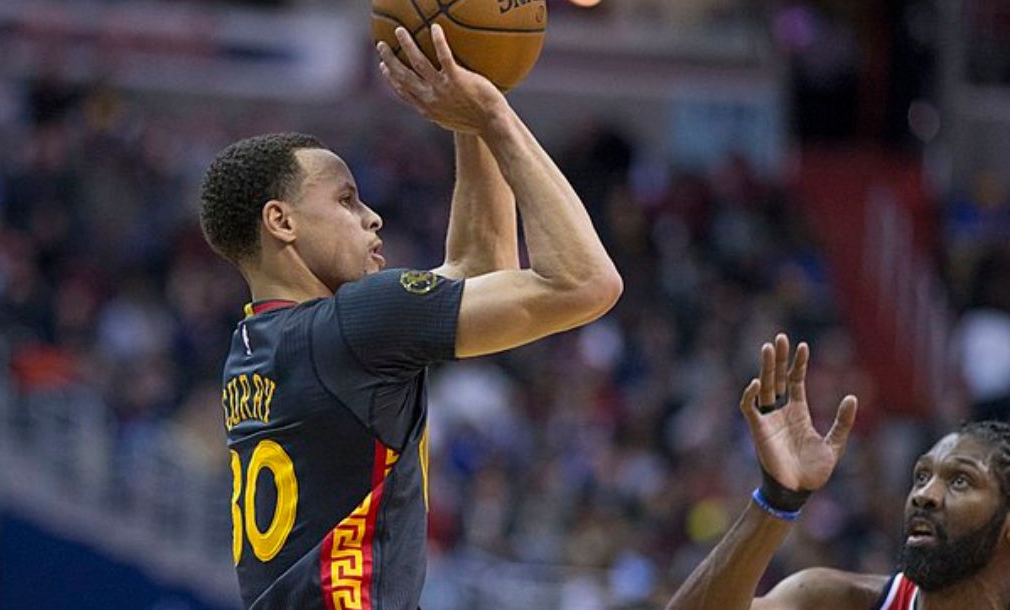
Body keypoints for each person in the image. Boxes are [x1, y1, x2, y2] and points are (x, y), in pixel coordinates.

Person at [198, 24, 622, 610]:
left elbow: (479, 270)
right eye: (347, 200)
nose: (372, 217)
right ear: (282, 222)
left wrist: (466, 118)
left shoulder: (256, 344)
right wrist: (496, 116)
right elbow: (587, 282)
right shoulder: (353, 325)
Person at [665, 334, 1010, 610]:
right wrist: (778, 499)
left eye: (960, 481)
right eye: (921, 476)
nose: (924, 495)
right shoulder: (830, 599)